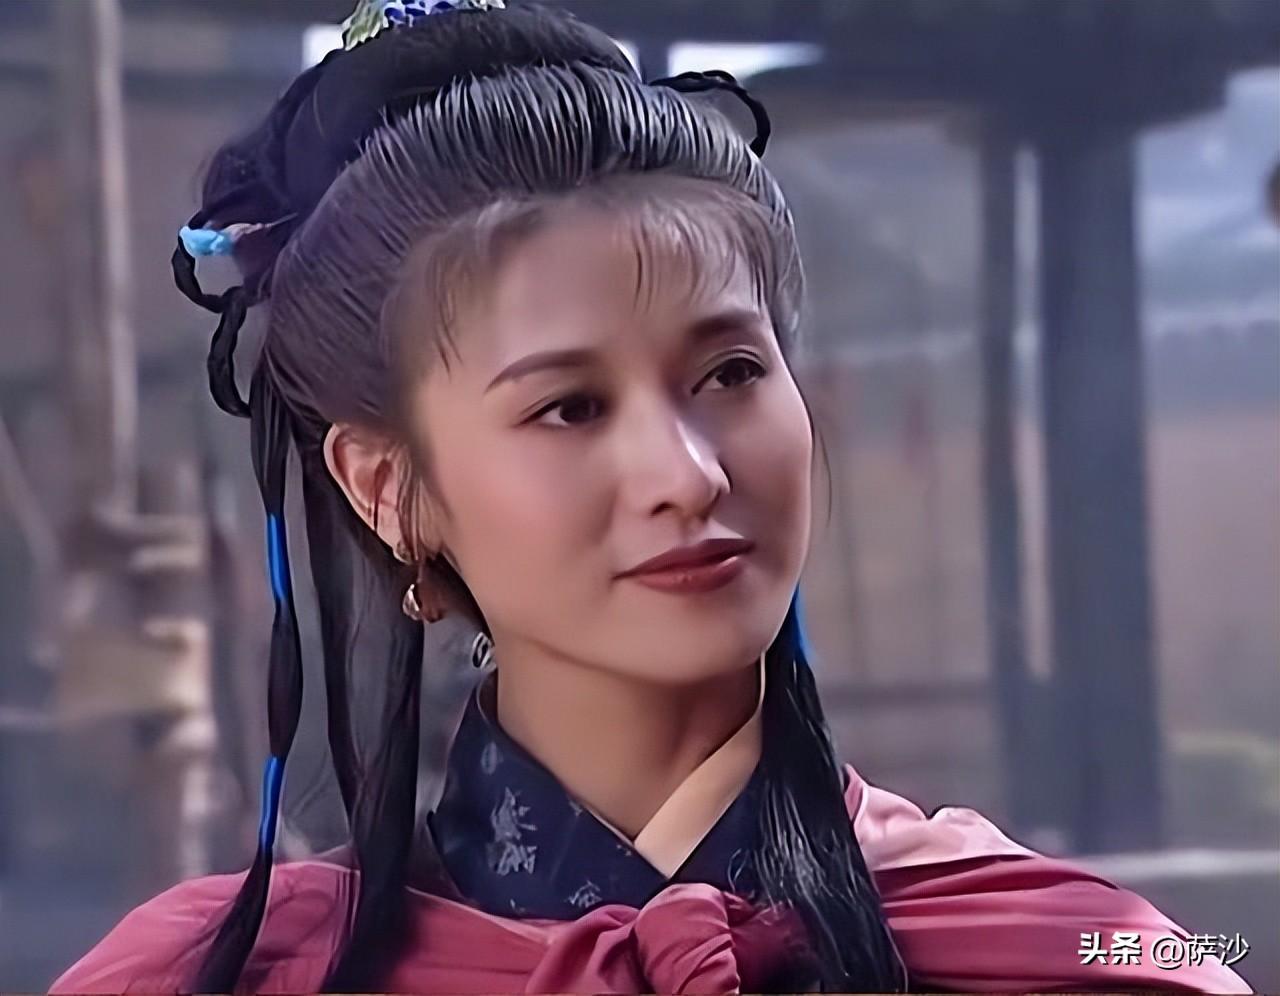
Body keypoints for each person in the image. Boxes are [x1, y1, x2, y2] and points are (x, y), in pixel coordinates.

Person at [52, 1, 1251, 992]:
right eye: (569, 407)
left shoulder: (1083, 959)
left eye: (729, 373)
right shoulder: (229, 975)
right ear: (391, 488)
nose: (688, 475)